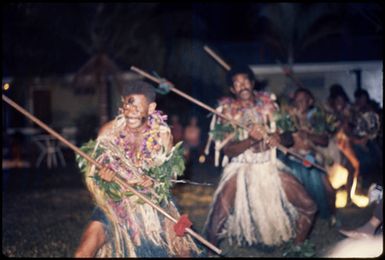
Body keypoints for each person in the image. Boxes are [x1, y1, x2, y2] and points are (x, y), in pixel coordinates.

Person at [74, 80, 202, 257]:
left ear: (150, 109)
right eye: (128, 105)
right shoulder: (108, 132)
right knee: (83, 251)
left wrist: (155, 181)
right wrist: (103, 176)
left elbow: (169, 178)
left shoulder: (162, 135)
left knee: (183, 249)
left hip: (155, 203)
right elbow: (94, 171)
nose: (130, 113)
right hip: (116, 202)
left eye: (137, 108)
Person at [203, 65, 317, 249]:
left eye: (245, 81)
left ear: (253, 83)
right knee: (217, 217)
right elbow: (228, 151)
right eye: (237, 84)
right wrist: (250, 140)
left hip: (269, 165)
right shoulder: (228, 112)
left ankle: (298, 249)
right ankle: (207, 252)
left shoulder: (270, 106)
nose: (243, 86)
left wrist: (279, 137)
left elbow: (289, 138)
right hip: (241, 167)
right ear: (232, 89)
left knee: (309, 206)